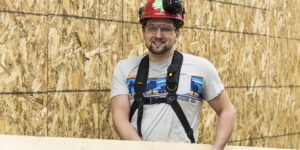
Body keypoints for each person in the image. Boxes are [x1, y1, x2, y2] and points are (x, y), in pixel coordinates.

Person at [110, 0, 236, 149]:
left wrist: (217, 149)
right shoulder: (125, 69)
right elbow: (120, 117)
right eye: (152, 28)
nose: (158, 35)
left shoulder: (201, 69)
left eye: (165, 29)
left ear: (177, 32)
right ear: (143, 31)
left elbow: (227, 111)